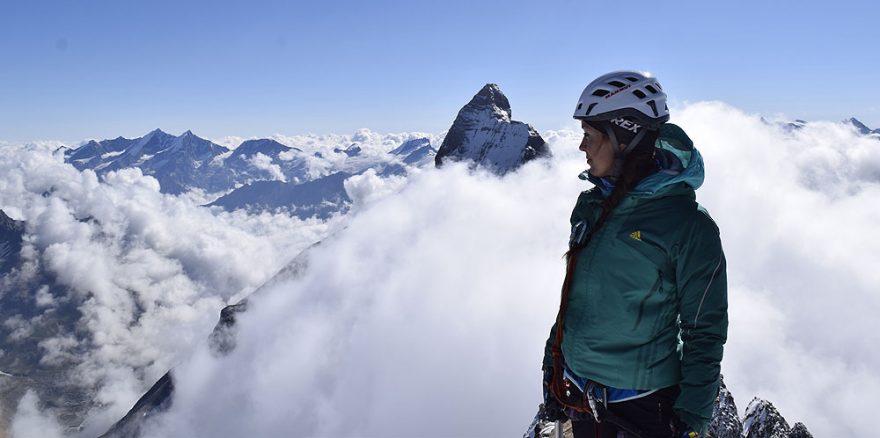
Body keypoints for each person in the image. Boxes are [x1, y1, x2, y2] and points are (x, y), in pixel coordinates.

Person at [540, 71, 728, 438]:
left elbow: (704, 329)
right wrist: (553, 366)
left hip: (644, 407)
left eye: (589, 136)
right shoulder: (592, 205)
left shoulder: (688, 227)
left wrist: (691, 418)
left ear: (624, 138)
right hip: (580, 393)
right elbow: (575, 300)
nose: (581, 147)